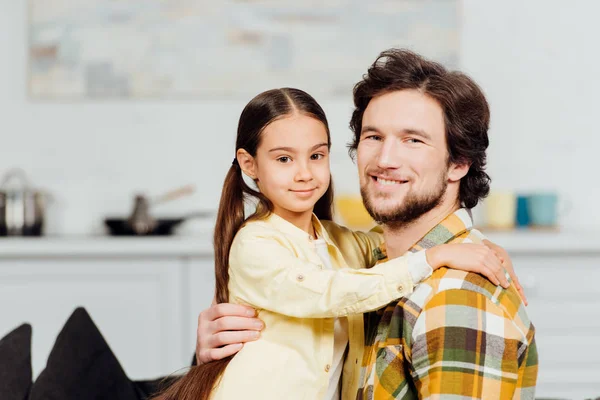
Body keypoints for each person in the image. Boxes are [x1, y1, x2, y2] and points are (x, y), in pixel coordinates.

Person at [194, 49, 537, 399]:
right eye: (373, 137)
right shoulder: (375, 261)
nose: (385, 160)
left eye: (413, 140)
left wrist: (466, 250)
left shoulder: (457, 298)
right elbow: (339, 283)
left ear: (459, 162)